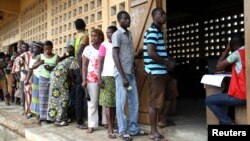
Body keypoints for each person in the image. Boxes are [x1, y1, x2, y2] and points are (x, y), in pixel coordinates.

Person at [112, 11, 148, 141]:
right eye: (125, 19)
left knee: (134, 101)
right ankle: (123, 131)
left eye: (129, 19)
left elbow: (129, 55)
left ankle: (133, 129)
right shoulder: (117, 34)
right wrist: (122, 77)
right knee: (121, 102)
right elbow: (115, 55)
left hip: (131, 73)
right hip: (122, 74)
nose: (128, 21)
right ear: (119, 20)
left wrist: (135, 70)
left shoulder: (129, 34)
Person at [143, 8, 175, 141]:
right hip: (156, 72)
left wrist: (169, 61)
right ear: (154, 17)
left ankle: (162, 120)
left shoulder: (158, 32)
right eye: (161, 14)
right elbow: (151, 53)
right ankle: (153, 132)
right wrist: (167, 63)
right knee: (155, 103)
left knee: (171, 95)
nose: (164, 16)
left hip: (163, 72)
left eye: (164, 14)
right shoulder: (152, 32)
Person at [205, 34, 246, 125]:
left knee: (209, 100)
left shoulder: (237, 53)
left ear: (234, 46)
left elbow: (218, 66)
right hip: (247, 93)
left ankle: (228, 123)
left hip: (241, 96)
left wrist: (227, 50)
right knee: (226, 94)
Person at [47, 45, 79, 126]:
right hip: (60, 78)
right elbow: (71, 72)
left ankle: (57, 117)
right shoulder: (73, 59)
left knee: (55, 97)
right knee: (64, 98)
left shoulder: (65, 59)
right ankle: (59, 119)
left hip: (55, 77)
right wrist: (73, 82)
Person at [82, 29, 104, 133]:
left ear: (100, 37)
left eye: (95, 36)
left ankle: (106, 122)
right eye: (92, 36)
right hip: (91, 79)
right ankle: (91, 125)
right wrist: (84, 79)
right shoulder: (88, 49)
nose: (93, 38)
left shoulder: (104, 47)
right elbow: (84, 65)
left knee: (106, 102)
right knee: (92, 103)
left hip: (105, 78)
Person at [32, 40, 59, 124]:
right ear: (44, 49)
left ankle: (51, 116)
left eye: (49, 49)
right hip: (43, 79)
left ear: (52, 48)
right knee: (43, 98)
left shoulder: (56, 57)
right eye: (46, 49)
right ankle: (43, 117)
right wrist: (40, 63)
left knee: (52, 98)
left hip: (53, 79)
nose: (47, 51)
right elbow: (33, 66)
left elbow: (59, 68)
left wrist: (52, 69)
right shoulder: (40, 56)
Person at [98, 26, 117, 138]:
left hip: (117, 76)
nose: (108, 34)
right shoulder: (104, 45)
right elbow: (100, 62)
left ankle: (113, 125)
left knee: (114, 103)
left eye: (110, 32)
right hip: (106, 76)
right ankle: (110, 129)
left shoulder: (117, 44)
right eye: (107, 32)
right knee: (108, 104)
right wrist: (99, 77)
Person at [73, 18, 89, 129]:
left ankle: (80, 119)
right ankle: (80, 121)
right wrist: (82, 68)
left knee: (79, 93)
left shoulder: (76, 36)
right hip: (81, 66)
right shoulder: (84, 36)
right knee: (81, 94)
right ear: (84, 24)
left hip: (76, 66)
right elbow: (79, 53)